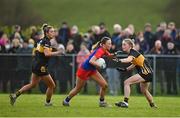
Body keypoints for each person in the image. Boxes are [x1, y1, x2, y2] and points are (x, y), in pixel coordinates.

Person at [9, 24, 61, 106]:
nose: (53, 33)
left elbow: (38, 51)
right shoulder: (46, 41)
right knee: (52, 85)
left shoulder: (41, 40)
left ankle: (15, 95)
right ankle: (47, 103)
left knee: (32, 84)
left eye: (54, 31)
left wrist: (53, 49)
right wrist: (58, 52)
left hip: (36, 64)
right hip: (41, 66)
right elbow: (47, 54)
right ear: (46, 33)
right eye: (51, 31)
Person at [62, 37, 113, 107]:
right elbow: (91, 61)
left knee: (104, 85)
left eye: (111, 43)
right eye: (109, 44)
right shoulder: (100, 51)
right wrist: (99, 65)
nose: (111, 45)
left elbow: (109, 56)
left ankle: (102, 102)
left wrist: (116, 56)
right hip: (84, 70)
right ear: (103, 45)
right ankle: (66, 100)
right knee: (78, 89)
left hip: (92, 70)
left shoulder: (104, 50)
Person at [113, 38, 157, 108]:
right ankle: (153, 106)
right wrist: (125, 69)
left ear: (130, 46)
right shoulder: (133, 53)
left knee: (127, 82)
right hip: (148, 73)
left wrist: (119, 60)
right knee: (144, 90)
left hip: (145, 73)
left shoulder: (132, 52)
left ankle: (125, 102)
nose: (123, 46)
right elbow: (134, 64)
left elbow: (128, 60)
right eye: (122, 45)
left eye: (124, 44)